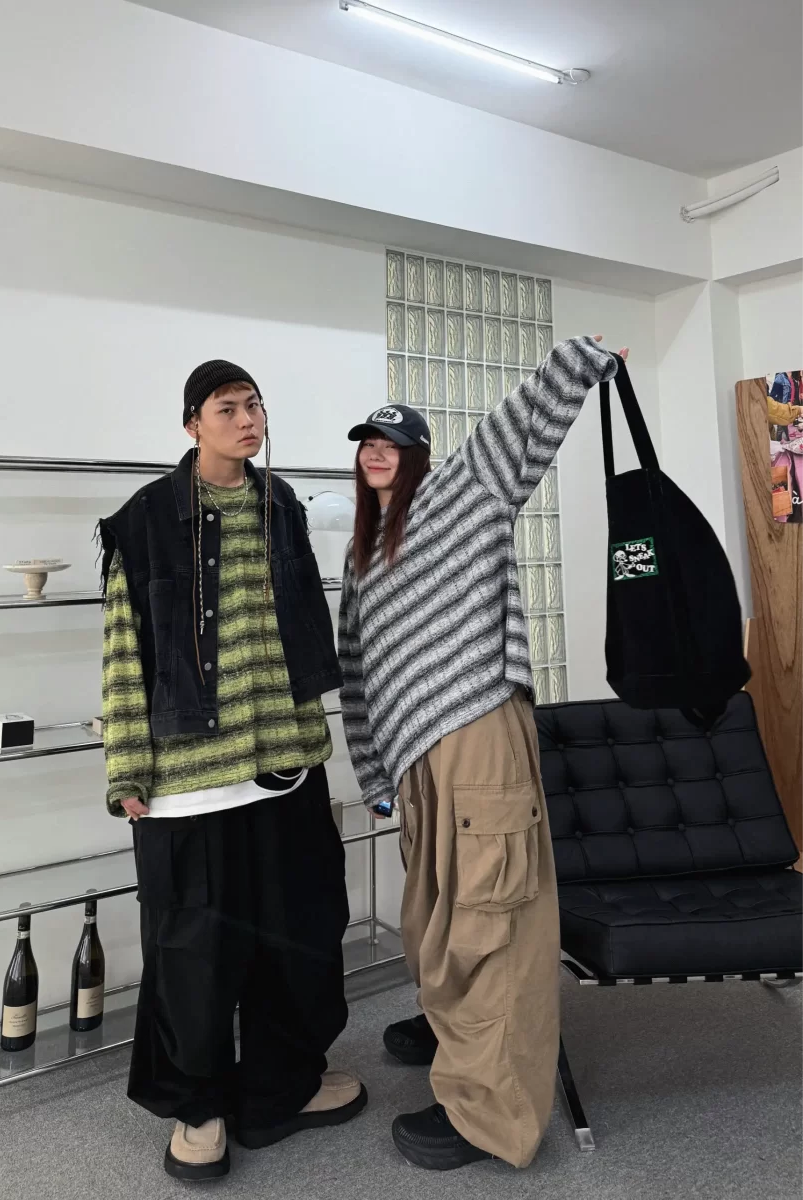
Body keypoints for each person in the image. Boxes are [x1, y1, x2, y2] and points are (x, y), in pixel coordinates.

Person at [338, 335, 627, 1172]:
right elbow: (357, 671)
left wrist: (579, 359)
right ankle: (452, 1029)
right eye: (367, 441)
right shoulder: (362, 552)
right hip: (417, 760)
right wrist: (374, 770)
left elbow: (521, 421)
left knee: (493, 919)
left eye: (393, 441)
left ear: (422, 457)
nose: (376, 451)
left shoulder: (464, 493)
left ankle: (490, 1117)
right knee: (434, 913)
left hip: (478, 734)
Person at [99, 360, 365, 1182]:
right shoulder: (146, 519)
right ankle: (200, 1106)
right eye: (227, 408)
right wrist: (126, 768)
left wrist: (319, 740)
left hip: (284, 766)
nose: (248, 420)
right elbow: (123, 649)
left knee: (298, 938)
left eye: (255, 406)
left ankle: (283, 1086)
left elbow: (304, 628)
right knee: (194, 960)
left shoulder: (282, 505)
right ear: (192, 424)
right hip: (189, 785)